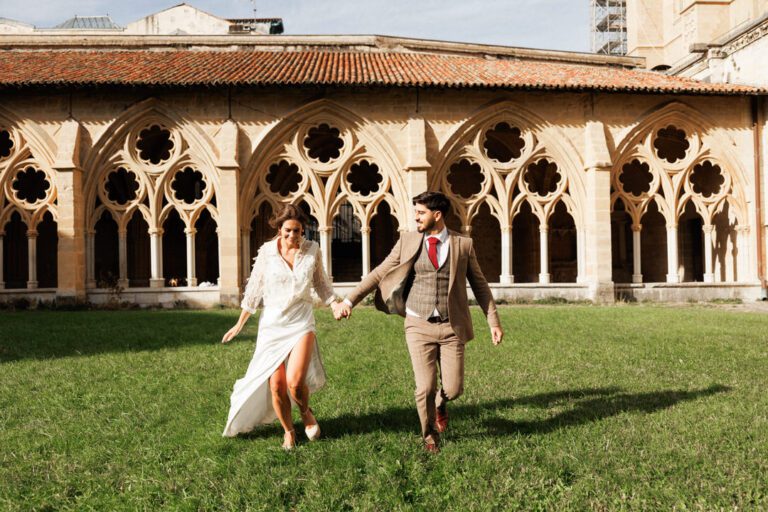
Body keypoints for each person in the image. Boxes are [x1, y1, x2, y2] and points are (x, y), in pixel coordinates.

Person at [335, 191, 503, 453]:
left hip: (451, 326)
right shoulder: (408, 241)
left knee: (454, 388)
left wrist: (493, 321)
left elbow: (479, 284)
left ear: (437, 215)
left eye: (421, 213)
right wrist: (349, 301)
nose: (416, 217)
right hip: (418, 323)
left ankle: (441, 403)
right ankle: (429, 436)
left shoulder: (463, 244)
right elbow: (379, 272)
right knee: (424, 386)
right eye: (415, 212)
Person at [221, 203, 345, 449]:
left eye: (297, 231)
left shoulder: (312, 250)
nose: (292, 236)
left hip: (301, 321)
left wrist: (333, 304)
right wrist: (239, 324)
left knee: (295, 381)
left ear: (303, 231)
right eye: (287, 230)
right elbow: (254, 291)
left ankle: (306, 411)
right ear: (279, 229)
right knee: (276, 385)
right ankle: (288, 430)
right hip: (273, 325)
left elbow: (321, 284)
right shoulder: (267, 252)